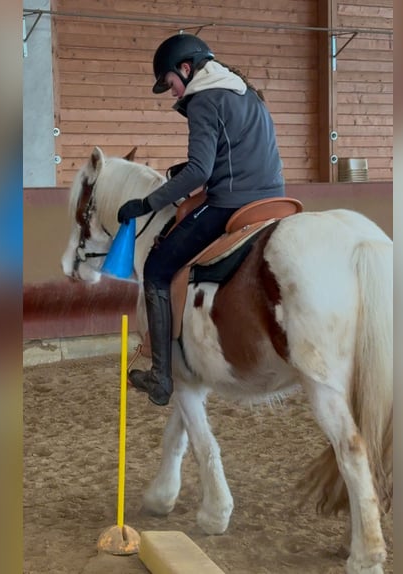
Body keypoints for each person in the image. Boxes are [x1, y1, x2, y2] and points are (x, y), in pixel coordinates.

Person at [116, 33, 285, 406]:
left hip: (233, 201)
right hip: (274, 196)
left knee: (157, 268)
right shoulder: (244, 91)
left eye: (172, 83)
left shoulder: (204, 100)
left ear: (186, 69)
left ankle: (161, 376)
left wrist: (146, 203)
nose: (173, 92)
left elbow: (197, 172)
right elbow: (231, 153)